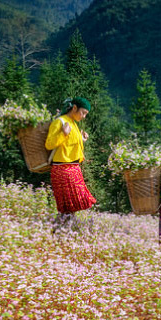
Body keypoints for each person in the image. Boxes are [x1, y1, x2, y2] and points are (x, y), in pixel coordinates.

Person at [44, 97, 96, 232]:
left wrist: (82, 139)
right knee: (68, 206)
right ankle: (59, 232)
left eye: (86, 114)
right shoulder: (59, 122)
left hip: (73, 168)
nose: (83, 116)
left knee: (73, 205)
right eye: (83, 112)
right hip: (63, 169)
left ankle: (61, 232)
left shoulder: (73, 123)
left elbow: (69, 146)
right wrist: (63, 133)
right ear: (74, 108)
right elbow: (49, 144)